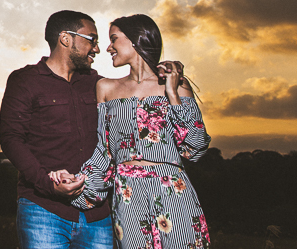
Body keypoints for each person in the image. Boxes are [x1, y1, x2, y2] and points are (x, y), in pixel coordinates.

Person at [56, 14, 211, 249]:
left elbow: (195, 147)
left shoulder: (177, 85)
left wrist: (172, 93)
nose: (108, 47)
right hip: (128, 195)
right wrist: (77, 182)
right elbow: (104, 152)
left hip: (174, 192)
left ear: (135, 40)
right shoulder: (106, 87)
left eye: (114, 39)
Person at [0, 10, 113, 249]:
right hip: (43, 210)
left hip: (97, 214)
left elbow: (135, 97)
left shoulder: (98, 84)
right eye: (91, 39)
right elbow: (11, 138)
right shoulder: (25, 80)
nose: (97, 48)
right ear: (65, 38)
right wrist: (48, 184)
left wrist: (160, 74)